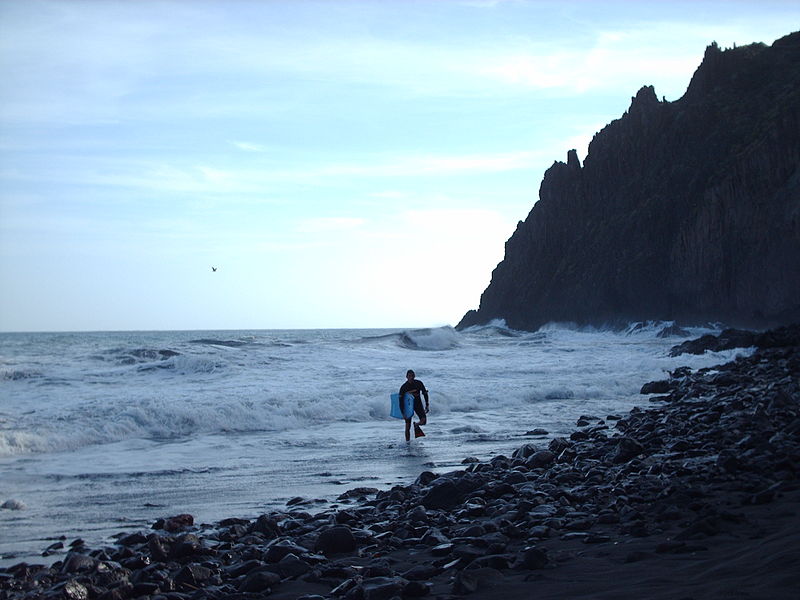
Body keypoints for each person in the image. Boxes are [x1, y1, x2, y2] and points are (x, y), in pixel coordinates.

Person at [398, 369, 429, 441]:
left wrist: (427, 405)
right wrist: (403, 413)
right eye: (409, 376)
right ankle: (407, 443)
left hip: (417, 404)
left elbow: (425, 393)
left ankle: (416, 424)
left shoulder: (419, 383)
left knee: (424, 421)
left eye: (412, 376)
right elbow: (400, 401)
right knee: (407, 426)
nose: (411, 377)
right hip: (408, 406)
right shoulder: (403, 387)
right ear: (406, 377)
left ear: (414, 376)